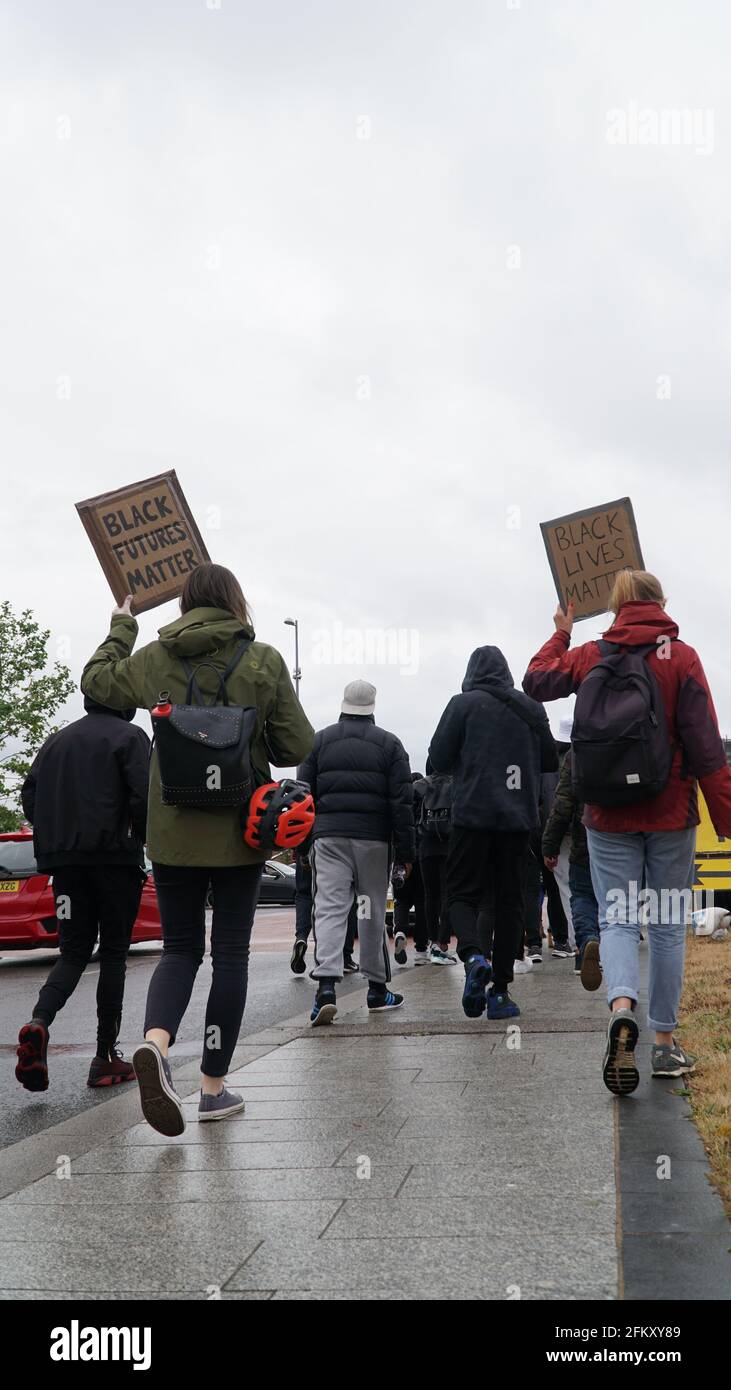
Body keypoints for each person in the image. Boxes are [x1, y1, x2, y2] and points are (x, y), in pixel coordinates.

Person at [80, 562, 313, 1134]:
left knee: (180, 950)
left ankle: (156, 1046)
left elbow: (97, 683)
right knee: (230, 957)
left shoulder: (155, 658)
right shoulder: (263, 660)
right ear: (235, 600)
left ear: (184, 603)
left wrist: (122, 624)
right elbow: (297, 745)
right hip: (241, 832)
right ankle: (212, 1088)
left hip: (174, 832)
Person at [524, 569, 731, 1093]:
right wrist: (725, 818)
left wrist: (562, 631)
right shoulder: (680, 657)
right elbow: (707, 748)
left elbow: (536, 680)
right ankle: (663, 1046)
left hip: (607, 813)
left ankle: (621, 1008)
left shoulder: (594, 654)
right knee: (663, 924)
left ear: (615, 606)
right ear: (660, 601)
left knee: (616, 920)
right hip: (668, 812)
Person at [15, 696, 150, 1093]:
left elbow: (30, 796)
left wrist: (58, 838)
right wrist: (142, 839)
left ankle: (39, 1022)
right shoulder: (131, 736)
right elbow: (144, 798)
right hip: (113, 861)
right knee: (113, 953)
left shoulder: (56, 741)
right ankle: (105, 1056)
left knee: (73, 952)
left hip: (66, 866)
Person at [429, 646, 557, 1020]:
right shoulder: (531, 708)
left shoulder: (462, 704)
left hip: (472, 817)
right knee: (510, 903)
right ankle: (500, 993)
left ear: (471, 672)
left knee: (461, 895)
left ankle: (472, 956)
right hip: (517, 821)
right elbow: (549, 760)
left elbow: (437, 759)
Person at [298, 679, 415, 1025]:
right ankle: (377, 991)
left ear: (343, 704)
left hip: (329, 839)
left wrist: (302, 845)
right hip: (374, 841)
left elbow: (303, 797)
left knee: (330, 909)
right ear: (372, 707)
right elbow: (402, 803)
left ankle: (326, 991)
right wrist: (406, 851)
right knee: (371, 911)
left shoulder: (317, 742)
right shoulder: (390, 744)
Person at [542, 743, 601, 989]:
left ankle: (586, 943)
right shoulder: (630, 740)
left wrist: (550, 844)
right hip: (624, 837)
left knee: (581, 895)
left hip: (584, 839)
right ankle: (614, 956)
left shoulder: (576, 754)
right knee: (615, 899)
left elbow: (563, 804)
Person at [290, 843, 359, 975]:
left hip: (306, 845)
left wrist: (300, 850)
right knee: (346, 899)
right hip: (336, 846)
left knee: (305, 894)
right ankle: (345, 957)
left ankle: (301, 937)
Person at [413, 759, 456, 964]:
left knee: (430, 895)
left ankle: (431, 940)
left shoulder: (420, 786)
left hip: (426, 845)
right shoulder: (457, 783)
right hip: (450, 845)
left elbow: (410, 814)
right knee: (449, 893)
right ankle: (443, 941)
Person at [393, 772, 428, 965]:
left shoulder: (401, 807)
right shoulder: (424, 809)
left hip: (401, 859)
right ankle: (421, 949)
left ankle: (400, 931)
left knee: (401, 901)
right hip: (422, 859)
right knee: (423, 904)